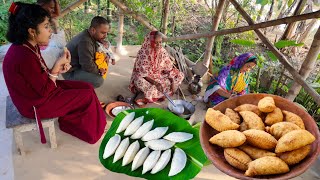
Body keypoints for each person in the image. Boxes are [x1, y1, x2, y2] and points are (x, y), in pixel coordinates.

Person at [3, 2, 106, 144]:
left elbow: (40, 77)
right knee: (87, 96)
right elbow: (44, 90)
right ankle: (90, 131)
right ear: (32, 31)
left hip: (37, 93)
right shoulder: (22, 56)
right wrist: (57, 67)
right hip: (33, 105)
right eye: (46, 26)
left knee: (87, 87)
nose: (50, 30)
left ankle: (80, 123)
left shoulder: (28, 45)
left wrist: (57, 69)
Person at [0, 0, 66, 69]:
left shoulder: (33, 47)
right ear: (32, 32)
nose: (53, 11)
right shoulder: (26, 56)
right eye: (51, 7)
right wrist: (56, 68)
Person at [128, 31, 184, 105]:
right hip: (147, 78)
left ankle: (152, 92)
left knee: (180, 74)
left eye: (160, 42)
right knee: (139, 81)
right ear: (150, 41)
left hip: (159, 76)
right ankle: (156, 92)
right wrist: (156, 83)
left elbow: (169, 68)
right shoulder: (144, 52)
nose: (158, 45)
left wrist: (172, 80)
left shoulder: (162, 51)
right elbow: (142, 74)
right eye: (156, 42)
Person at [63, 16, 111, 88]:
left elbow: (95, 52)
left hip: (77, 66)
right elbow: (87, 66)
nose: (105, 36)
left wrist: (104, 56)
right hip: (70, 72)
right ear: (93, 30)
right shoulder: (85, 41)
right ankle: (77, 89)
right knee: (98, 80)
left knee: (102, 63)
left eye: (106, 33)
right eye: (103, 33)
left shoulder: (90, 35)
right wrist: (99, 70)